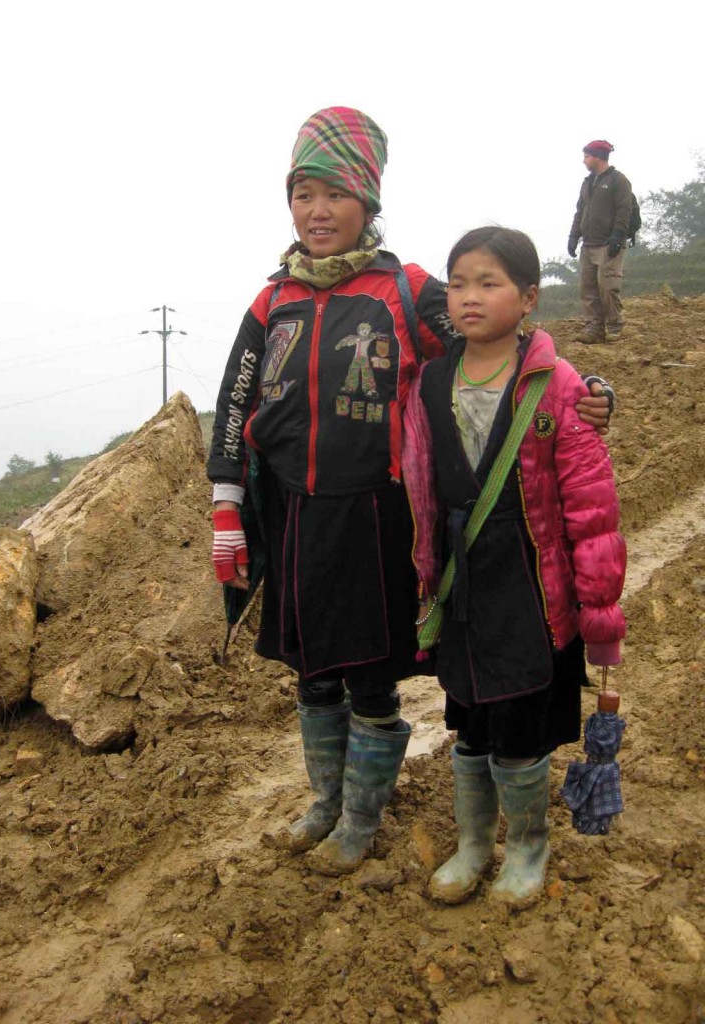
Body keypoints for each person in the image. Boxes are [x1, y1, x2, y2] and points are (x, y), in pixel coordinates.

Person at [207, 107, 613, 878]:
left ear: (367, 198)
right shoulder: (273, 302)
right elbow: (235, 404)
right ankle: (324, 802)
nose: (316, 211)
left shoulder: (406, 289)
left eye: (334, 194)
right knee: (311, 670)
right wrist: (228, 504)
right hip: (295, 515)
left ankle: (361, 817)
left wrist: (582, 388)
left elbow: (490, 350)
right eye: (302, 195)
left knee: (366, 673)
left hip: (374, 519)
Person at [402, 226, 626, 908]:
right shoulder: (433, 378)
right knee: (468, 724)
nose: (470, 297)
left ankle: (527, 848)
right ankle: (474, 845)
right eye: (459, 282)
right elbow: (418, 479)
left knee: (521, 730)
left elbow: (592, 511)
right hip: (464, 582)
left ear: (528, 298)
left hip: (530, 590)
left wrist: (600, 618)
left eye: (489, 282)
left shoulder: (558, 387)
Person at [567, 140, 633, 344]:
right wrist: (573, 236)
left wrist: (617, 236)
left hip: (608, 243)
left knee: (607, 286)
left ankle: (615, 327)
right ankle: (594, 328)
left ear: (597, 157)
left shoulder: (619, 180)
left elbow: (624, 210)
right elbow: (580, 211)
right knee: (588, 288)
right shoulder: (587, 183)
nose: (584, 160)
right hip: (588, 243)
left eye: (586, 156)